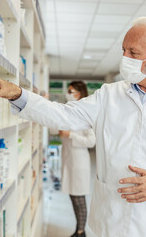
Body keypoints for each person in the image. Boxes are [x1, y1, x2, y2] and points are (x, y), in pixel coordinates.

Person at [0, 17, 146, 237]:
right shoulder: (109, 95)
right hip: (109, 222)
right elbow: (63, 115)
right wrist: (18, 94)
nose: (125, 58)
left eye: (133, 52)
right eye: (123, 50)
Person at [59, 81, 95, 237]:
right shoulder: (69, 111)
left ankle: (81, 232)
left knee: (79, 198)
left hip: (80, 161)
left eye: (70, 91)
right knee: (73, 196)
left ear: (79, 93)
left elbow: (91, 141)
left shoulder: (87, 113)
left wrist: (71, 135)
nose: (68, 93)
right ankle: (78, 229)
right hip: (68, 159)